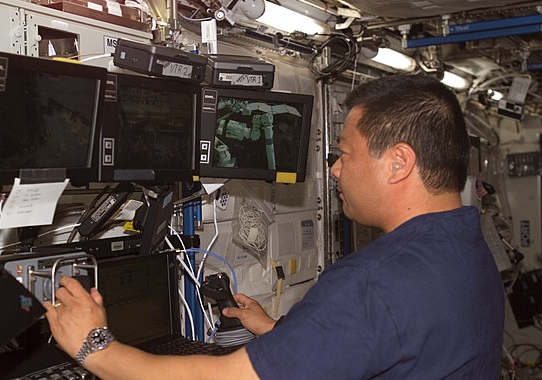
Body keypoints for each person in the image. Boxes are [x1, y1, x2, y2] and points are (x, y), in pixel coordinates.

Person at [44, 74, 505, 379]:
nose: (336, 171)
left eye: (344, 154)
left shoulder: (372, 281)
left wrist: (97, 349)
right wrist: (280, 332)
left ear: (399, 162)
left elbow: (227, 379)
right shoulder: (465, 246)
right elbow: (395, 338)